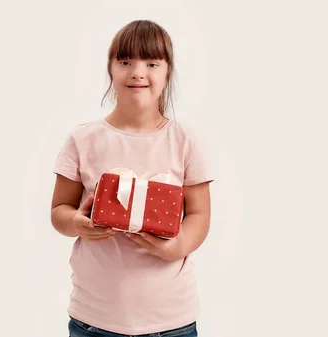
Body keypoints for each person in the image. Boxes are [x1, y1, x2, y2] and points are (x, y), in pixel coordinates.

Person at [50, 19, 213, 337]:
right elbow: (59, 211)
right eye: (125, 61)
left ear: (168, 72)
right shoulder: (83, 139)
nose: (138, 72)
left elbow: (199, 214)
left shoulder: (186, 141)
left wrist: (176, 246)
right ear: (110, 69)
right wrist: (77, 223)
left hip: (171, 322)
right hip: (93, 320)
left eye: (152, 62)